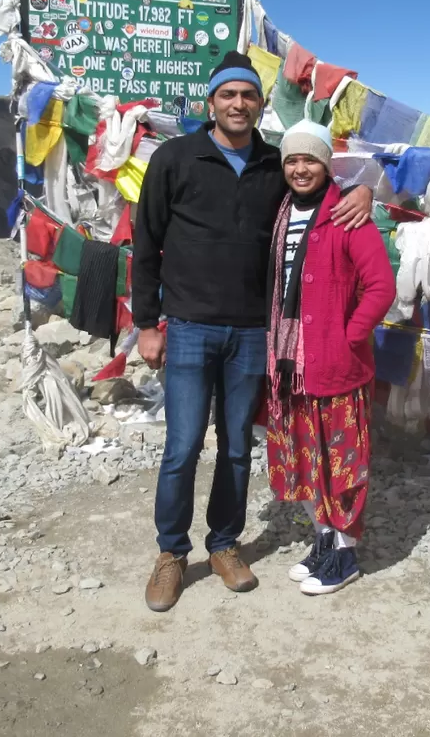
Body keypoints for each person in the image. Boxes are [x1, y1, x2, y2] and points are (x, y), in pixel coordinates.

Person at [132, 51, 374, 613]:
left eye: (247, 95)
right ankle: (172, 553)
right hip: (189, 326)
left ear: (260, 103)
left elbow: (326, 191)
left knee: (237, 446)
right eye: (227, 95)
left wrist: (367, 193)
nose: (238, 103)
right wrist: (147, 323)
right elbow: (145, 244)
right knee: (183, 445)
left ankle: (223, 544)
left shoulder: (276, 164)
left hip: (252, 333)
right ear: (210, 102)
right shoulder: (175, 158)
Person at [265, 121, 395, 595]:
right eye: (293, 161)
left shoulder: (345, 215)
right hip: (288, 362)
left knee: (340, 461)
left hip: (334, 363)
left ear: (326, 164)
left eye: (311, 160)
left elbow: (381, 287)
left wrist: (350, 336)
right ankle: (323, 538)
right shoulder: (280, 212)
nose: (301, 169)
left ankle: (346, 553)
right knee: (304, 457)